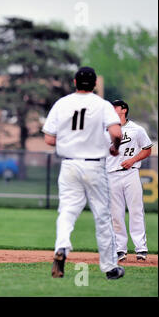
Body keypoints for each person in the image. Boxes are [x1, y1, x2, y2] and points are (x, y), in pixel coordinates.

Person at [42, 66, 125, 280]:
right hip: (94, 164)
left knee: (67, 211)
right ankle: (109, 267)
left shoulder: (62, 103)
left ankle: (61, 248)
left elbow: (49, 139)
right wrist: (115, 146)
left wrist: (70, 140)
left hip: (69, 164)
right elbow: (116, 132)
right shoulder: (102, 105)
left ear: (74, 82)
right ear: (95, 83)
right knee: (102, 216)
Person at [105, 100, 153, 262]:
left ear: (123, 110)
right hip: (111, 174)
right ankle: (120, 249)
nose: (112, 109)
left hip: (131, 173)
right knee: (115, 214)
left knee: (136, 211)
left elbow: (147, 149)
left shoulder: (137, 129)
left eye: (115, 107)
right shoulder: (106, 130)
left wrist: (132, 160)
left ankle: (141, 249)